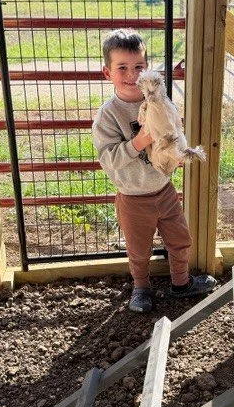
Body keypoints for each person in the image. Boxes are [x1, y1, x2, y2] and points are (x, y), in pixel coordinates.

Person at [92, 29, 216, 313]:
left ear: (146, 69)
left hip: (164, 191)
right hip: (132, 198)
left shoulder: (158, 101)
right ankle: (141, 289)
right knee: (138, 250)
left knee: (180, 239)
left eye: (138, 67)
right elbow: (108, 159)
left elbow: (174, 130)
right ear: (106, 72)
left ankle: (181, 284)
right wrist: (140, 141)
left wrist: (177, 153)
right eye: (122, 67)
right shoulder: (108, 115)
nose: (131, 74)